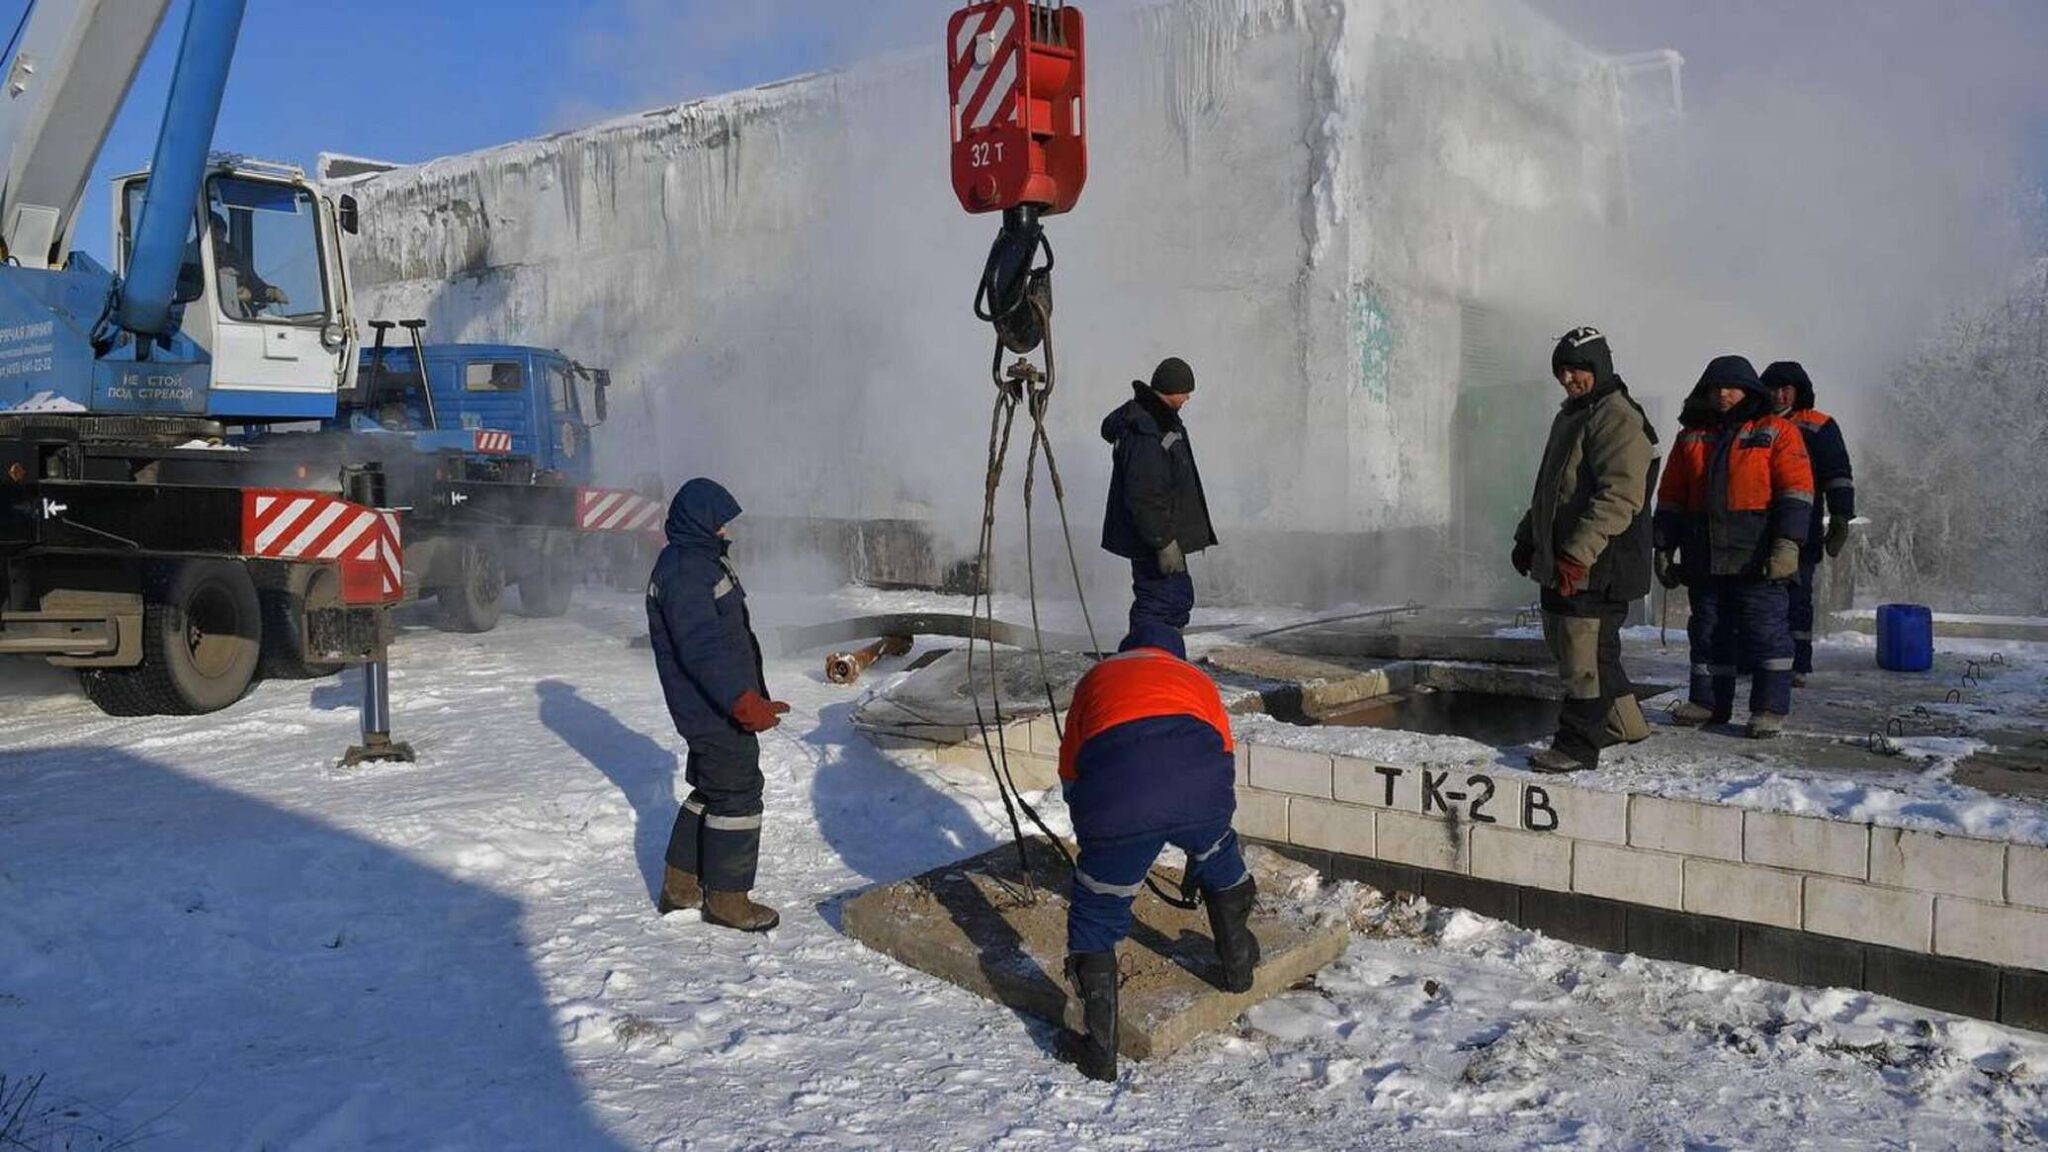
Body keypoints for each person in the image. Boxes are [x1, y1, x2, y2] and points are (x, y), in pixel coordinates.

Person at [1054, 620, 1258, 1082]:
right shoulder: (1196, 679)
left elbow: (1071, 767)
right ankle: (1238, 968)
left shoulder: (1096, 679)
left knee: (1096, 911)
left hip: (1118, 805)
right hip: (1201, 796)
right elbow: (1224, 751)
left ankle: (1098, 1052)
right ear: (1174, 654)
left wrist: (1099, 832)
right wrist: (1206, 819)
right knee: (1220, 858)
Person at [1512, 326, 1660, 773]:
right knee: (1576, 645)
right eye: (1563, 371)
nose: (1569, 379)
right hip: (1569, 560)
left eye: (1578, 370)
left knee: (1584, 655)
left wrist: (1578, 554)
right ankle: (1626, 725)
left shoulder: (1616, 416)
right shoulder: (1575, 414)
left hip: (1600, 561)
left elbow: (1620, 497)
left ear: (1599, 367)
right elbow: (1551, 491)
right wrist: (1528, 537)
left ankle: (1577, 746)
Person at [647, 478, 791, 931]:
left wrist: (751, 694)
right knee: (738, 790)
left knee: (714, 788)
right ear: (700, 521)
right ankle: (729, 900)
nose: (727, 532)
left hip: (711, 703)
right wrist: (742, 700)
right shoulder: (688, 569)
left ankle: (680, 885)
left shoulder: (695, 560)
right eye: (720, 523)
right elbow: (702, 648)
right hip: (711, 707)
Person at [1654, 357, 1815, 738]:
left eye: (1731, 387)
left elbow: (1795, 492)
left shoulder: (1776, 432)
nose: (1722, 394)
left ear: (1749, 390)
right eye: (1715, 387)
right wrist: (1663, 547)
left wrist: (1788, 544)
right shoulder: (1691, 437)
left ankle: (1769, 709)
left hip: (1757, 557)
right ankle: (1708, 703)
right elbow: (1672, 498)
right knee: (1708, 632)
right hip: (1704, 556)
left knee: (1765, 632)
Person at [1099, 357, 1217, 633]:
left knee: (1174, 601)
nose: (1188, 397)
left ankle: (1161, 664)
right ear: (1169, 388)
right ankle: (1149, 663)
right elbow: (1145, 494)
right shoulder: (1146, 429)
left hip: (1164, 537)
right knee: (1161, 603)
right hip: (1156, 542)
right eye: (1185, 391)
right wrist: (1163, 542)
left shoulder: (1160, 421)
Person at [1761, 361, 1856, 684]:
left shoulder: (1818, 425)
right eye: (1773, 388)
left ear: (1800, 392)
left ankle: (1797, 664)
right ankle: (1758, 659)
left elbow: (1838, 474)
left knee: (1797, 598)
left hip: (1802, 528)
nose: (1779, 395)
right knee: (1757, 598)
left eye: (1787, 388)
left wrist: (1841, 516)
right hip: (1756, 526)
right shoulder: (1754, 424)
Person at [208, 212, 286, 317]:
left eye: (221, 236)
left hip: (243, 317)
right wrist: (232, 294)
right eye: (214, 237)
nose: (219, 244)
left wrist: (270, 292)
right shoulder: (191, 259)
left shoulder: (235, 257)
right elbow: (199, 290)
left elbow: (254, 285)